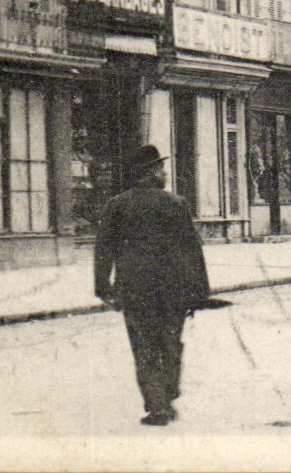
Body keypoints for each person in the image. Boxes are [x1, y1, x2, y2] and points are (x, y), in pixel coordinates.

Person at [94, 144, 211, 426]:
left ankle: (157, 404)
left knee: (144, 347)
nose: (165, 173)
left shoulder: (117, 205)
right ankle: (167, 395)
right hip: (173, 289)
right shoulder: (176, 204)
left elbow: (103, 248)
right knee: (170, 343)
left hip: (134, 289)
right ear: (150, 173)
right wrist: (199, 292)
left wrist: (102, 286)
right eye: (161, 168)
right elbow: (192, 249)